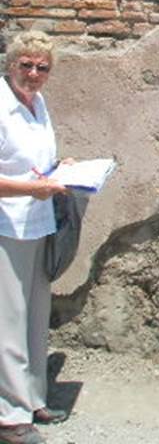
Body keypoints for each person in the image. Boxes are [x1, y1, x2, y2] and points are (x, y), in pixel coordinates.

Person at [0, 32, 69, 444]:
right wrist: (30, 190)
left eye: (42, 67)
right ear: (10, 65)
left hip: (38, 222)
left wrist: (63, 168)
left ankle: (33, 397)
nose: (33, 73)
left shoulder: (37, 104)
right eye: (26, 64)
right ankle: (9, 416)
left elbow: (35, 165)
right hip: (7, 224)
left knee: (35, 315)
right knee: (8, 319)